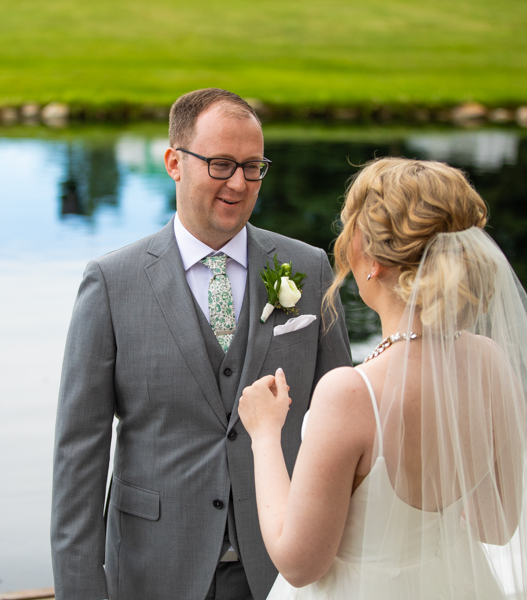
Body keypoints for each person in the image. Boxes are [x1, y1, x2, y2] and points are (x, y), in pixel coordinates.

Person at [239, 157, 527, 599]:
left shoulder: (352, 392)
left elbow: (299, 564)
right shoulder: (490, 363)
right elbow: (497, 525)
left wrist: (264, 433)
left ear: (370, 258)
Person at [50, 88, 352, 600]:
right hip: (154, 572)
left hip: (286, 574)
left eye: (253, 166)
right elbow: (79, 457)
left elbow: (341, 428)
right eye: (221, 164)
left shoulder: (309, 268)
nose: (239, 183)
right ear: (174, 162)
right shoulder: (111, 283)